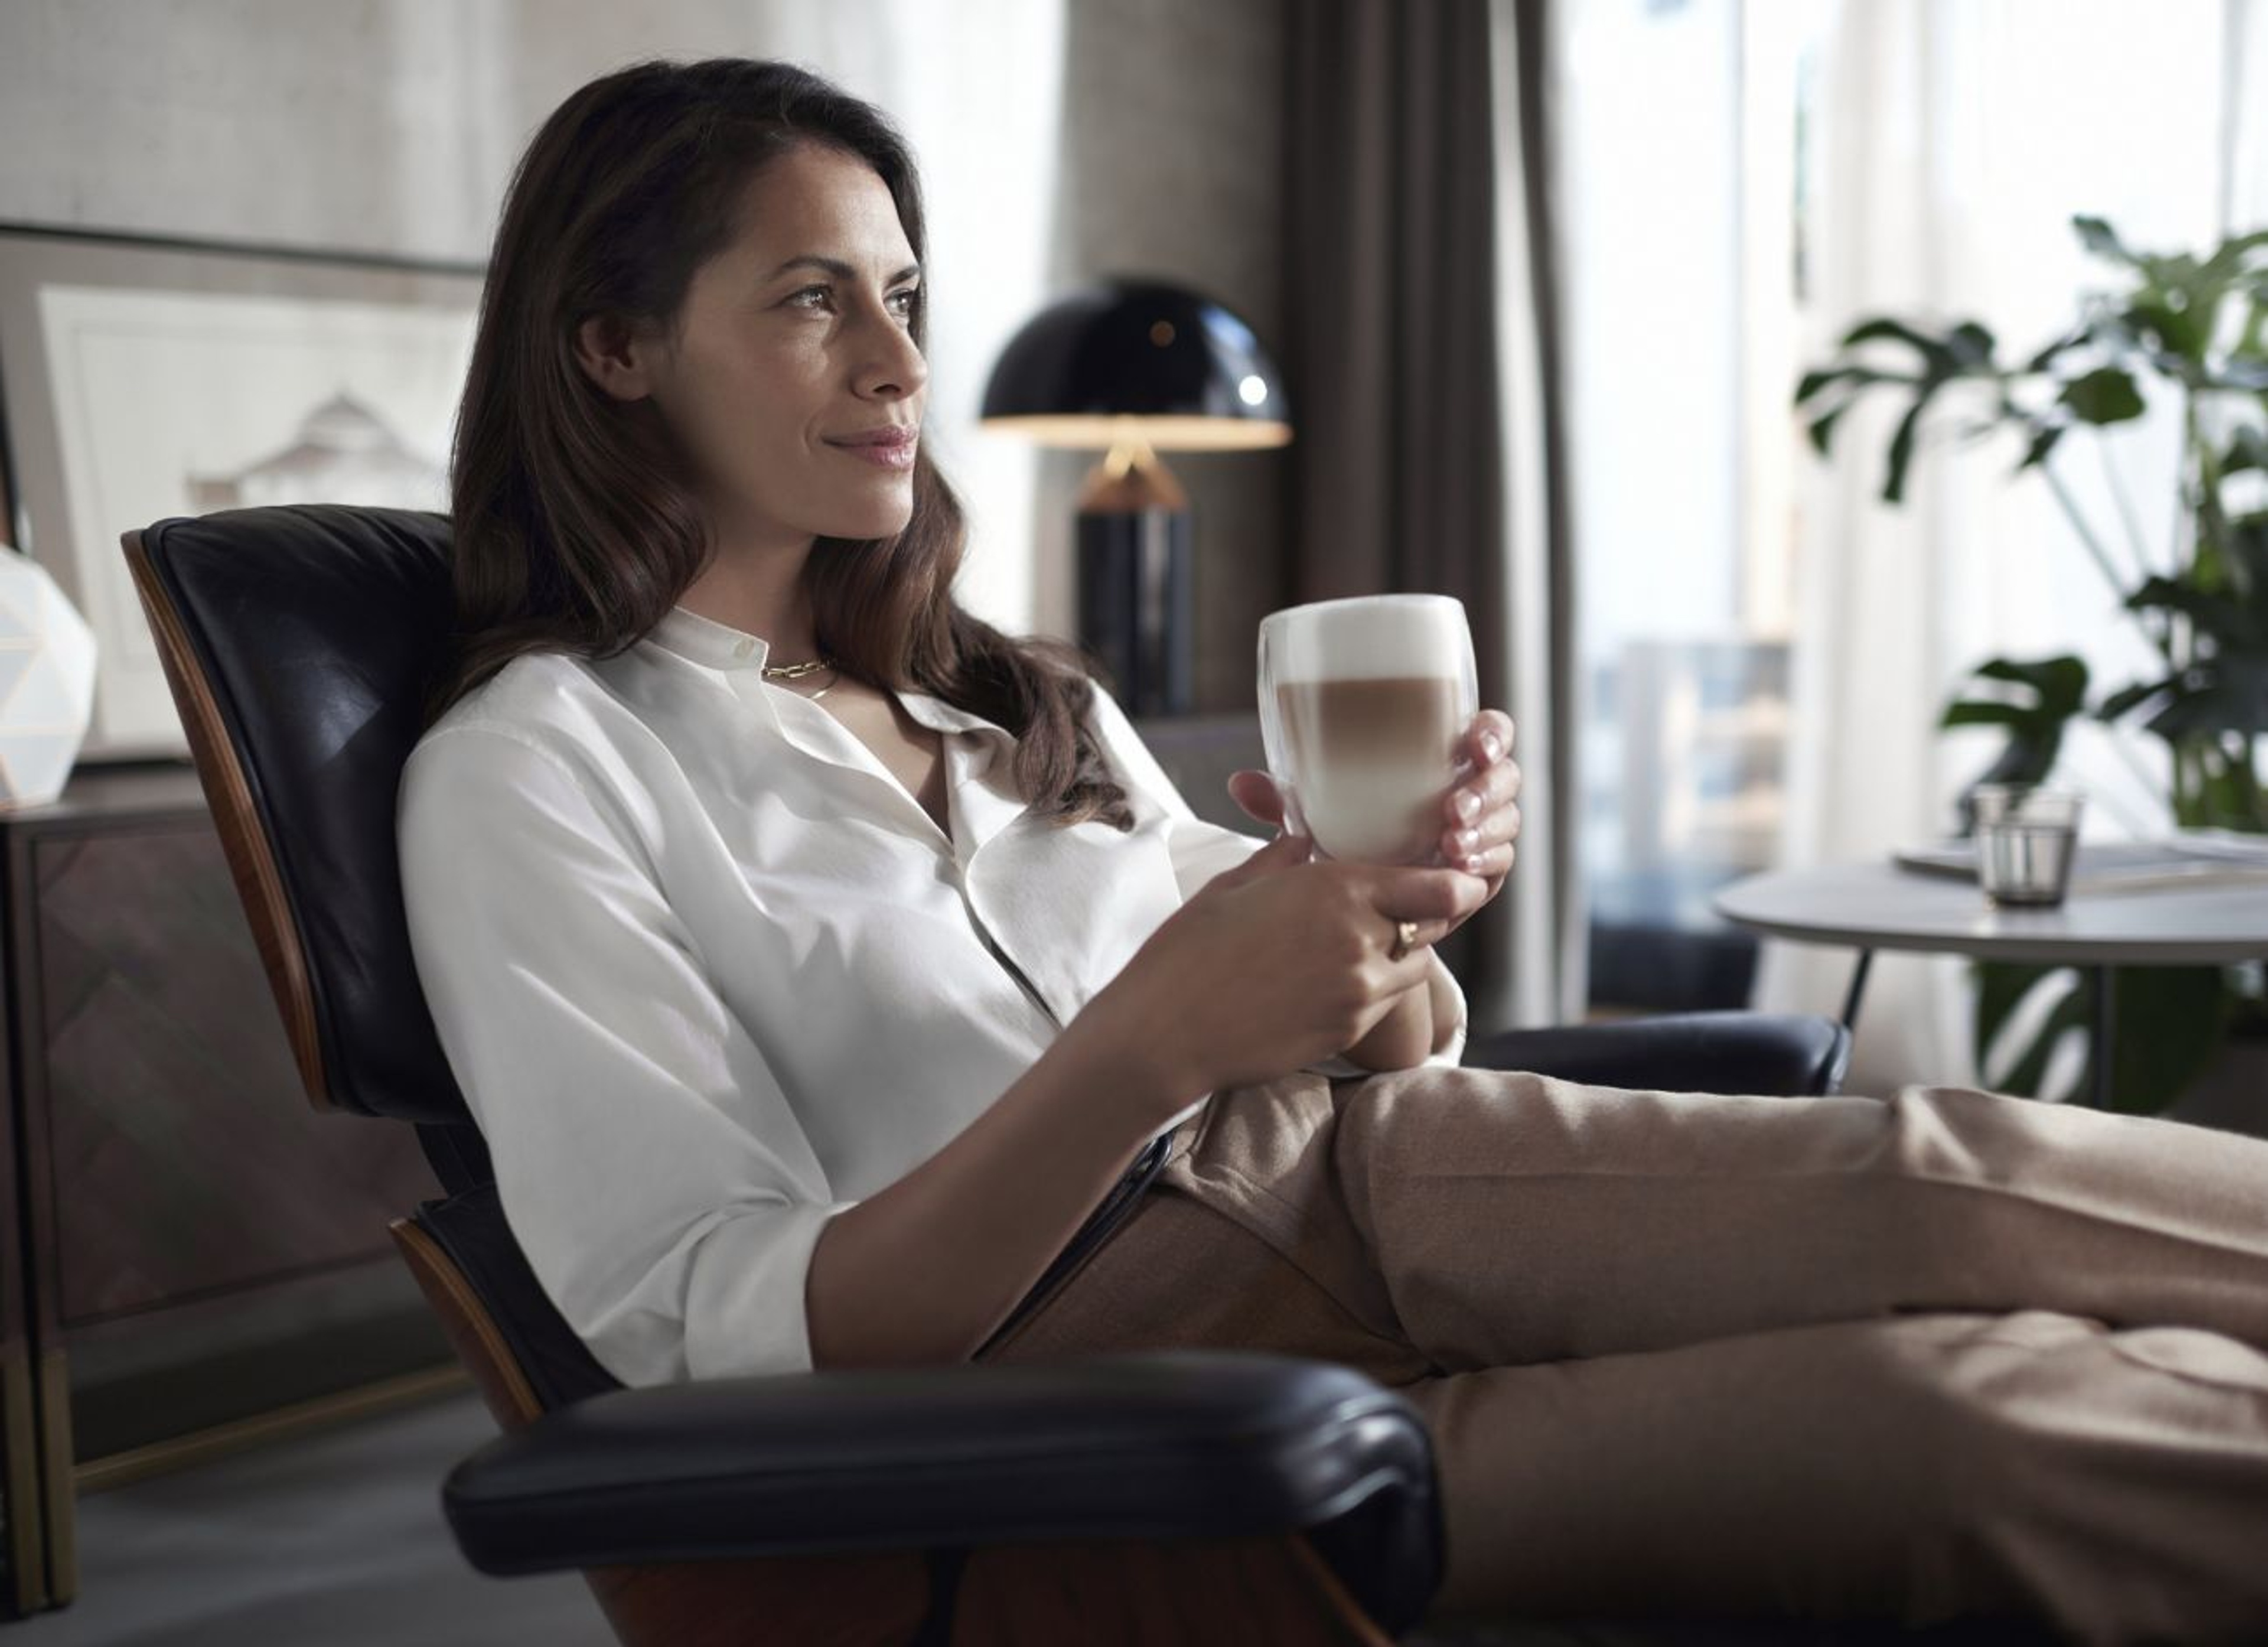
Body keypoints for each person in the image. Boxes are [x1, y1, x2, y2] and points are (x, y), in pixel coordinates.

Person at [395, 55, 2268, 1644]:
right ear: (618, 346)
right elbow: (727, 1331)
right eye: (814, 298)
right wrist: (1153, 1039)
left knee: (1971, 1181)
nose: (897, 361)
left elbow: (1374, 1045)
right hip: (1121, 1386)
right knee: (1972, 1423)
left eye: (906, 295)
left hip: (1376, 1166)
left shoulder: (1011, 701)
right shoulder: (540, 768)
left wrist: (1387, 926)